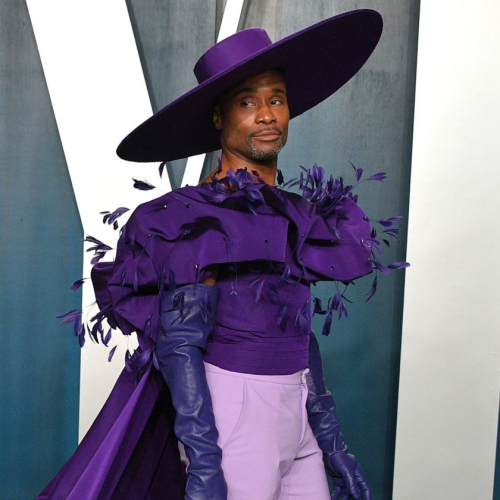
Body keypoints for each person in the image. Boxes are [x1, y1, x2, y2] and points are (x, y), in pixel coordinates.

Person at [37, 9, 401, 500]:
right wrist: (205, 462)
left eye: (277, 99)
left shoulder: (298, 215)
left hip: (296, 414)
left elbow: (296, 331)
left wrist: (332, 442)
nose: (268, 114)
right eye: (248, 102)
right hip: (236, 411)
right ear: (219, 117)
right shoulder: (196, 219)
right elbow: (181, 345)